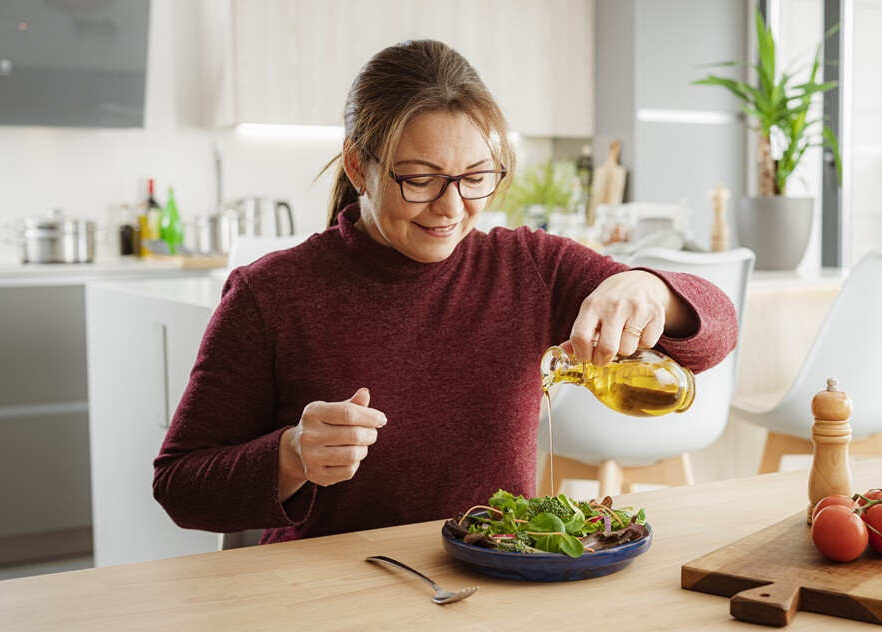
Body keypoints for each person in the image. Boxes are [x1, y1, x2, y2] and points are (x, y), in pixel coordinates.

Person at [153, 39, 738, 544]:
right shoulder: (272, 293)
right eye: (421, 179)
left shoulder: (527, 266)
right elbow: (178, 485)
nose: (453, 207)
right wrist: (290, 457)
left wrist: (647, 287)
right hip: (328, 592)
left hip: (488, 582)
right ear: (360, 167)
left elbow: (715, 334)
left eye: (476, 177)